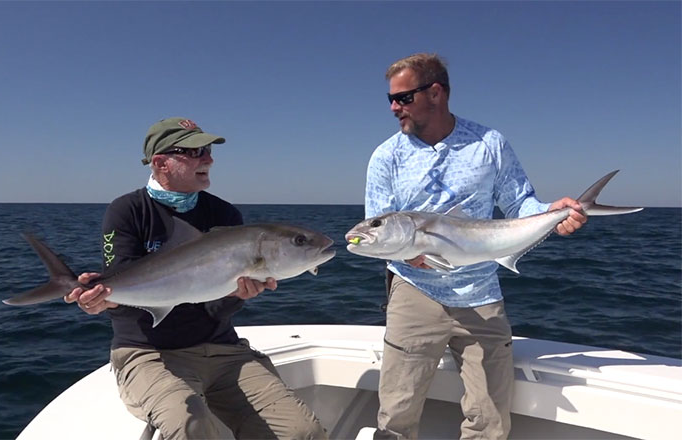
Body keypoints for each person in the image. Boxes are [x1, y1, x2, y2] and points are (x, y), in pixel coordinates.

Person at [365, 54, 587, 439]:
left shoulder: (489, 144)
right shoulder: (387, 156)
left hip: (482, 295)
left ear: (435, 93)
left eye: (403, 98)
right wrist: (414, 256)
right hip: (413, 293)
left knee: (490, 419)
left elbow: (520, 204)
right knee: (396, 414)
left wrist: (551, 213)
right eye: (391, 98)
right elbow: (379, 227)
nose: (393, 107)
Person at [64, 117, 327, 439]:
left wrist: (235, 296)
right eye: (194, 152)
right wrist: (101, 301)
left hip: (223, 350)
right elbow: (121, 286)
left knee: (303, 432)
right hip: (148, 352)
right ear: (161, 162)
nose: (208, 159)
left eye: (207, 151)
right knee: (192, 426)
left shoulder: (225, 215)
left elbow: (216, 306)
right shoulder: (128, 210)